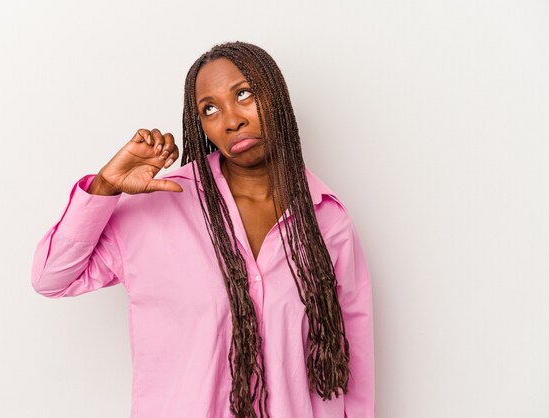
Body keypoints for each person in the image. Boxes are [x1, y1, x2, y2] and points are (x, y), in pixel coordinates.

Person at [31, 41, 374, 418]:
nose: (231, 120)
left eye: (243, 94)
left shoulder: (326, 220)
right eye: (209, 109)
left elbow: (351, 364)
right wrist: (104, 188)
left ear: (277, 95)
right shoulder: (159, 208)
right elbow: (52, 278)